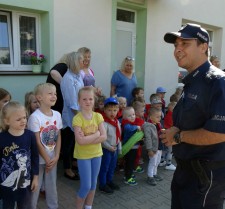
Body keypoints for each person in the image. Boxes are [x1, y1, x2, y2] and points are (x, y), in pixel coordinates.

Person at [162, 23, 225, 209]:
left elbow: (220, 133)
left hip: (205, 178)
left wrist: (178, 136)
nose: (178, 50)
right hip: (185, 172)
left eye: (185, 44)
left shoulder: (217, 82)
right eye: (176, 45)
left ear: (203, 47)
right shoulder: (193, 79)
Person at [27, 83, 62, 209]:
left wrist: (57, 156)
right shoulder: (35, 117)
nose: (54, 96)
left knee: (52, 186)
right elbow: (36, 141)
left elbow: (58, 137)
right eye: (50, 93)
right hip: (38, 160)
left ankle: (53, 206)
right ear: (39, 97)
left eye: (55, 94)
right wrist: (47, 160)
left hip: (52, 159)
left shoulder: (57, 115)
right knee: (35, 186)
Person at [0, 101, 39, 209]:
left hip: (25, 184)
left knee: (24, 206)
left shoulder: (30, 135)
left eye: (24, 117)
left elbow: (35, 157)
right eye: (18, 119)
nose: (23, 121)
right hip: (6, 186)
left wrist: (35, 177)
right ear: (7, 121)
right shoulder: (2, 138)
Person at [73, 86, 106, 209]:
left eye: (90, 99)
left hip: (97, 154)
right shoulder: (77, 118)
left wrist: (88, 138)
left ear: (94, 100)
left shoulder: (98, 116)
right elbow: (80, 141)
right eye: (84, 99)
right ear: (79, 101)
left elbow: (104, 137)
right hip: (83, 156)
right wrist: (96, 134)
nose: (88, 102)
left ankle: (88, 206)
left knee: (93, 185)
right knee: (86, 186)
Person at [60, 51, 84, 180]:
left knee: (75, 142)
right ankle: (67, 169)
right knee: (68, 143)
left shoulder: (78, 75)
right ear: (75, 61)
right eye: (81, 60)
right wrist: (80, 117)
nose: (83, 62)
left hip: (79, 113)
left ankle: (74, 163)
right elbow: (72, 102)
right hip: (71, 115)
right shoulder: (68, 78)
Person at [98, 97, 121, 194]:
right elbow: (102, 140)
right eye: (109, 110)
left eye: (115, 110)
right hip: (107, 149)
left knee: (112, 167)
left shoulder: (117, 122)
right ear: (104, 110)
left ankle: (109, 181)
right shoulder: (104, 123)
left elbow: (119, 135)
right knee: (105, 167)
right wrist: (109, 147)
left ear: (118, 110)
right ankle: (102, 184)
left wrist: (119, 148)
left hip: (114, 148)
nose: (112, 113)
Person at [121, 106, 141, 186]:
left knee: (131, 162)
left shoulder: (132, 123)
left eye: (133, 114)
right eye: (130, 115)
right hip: (129, 148)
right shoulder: (126, 124)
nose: (133, 116)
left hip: (134, 147)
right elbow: (128, 128)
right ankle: (128, 178)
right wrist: (137, 127)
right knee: (129, 162)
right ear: (125, 117)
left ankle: (128, 174)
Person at [147, 107, 163, 185]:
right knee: (152, 162)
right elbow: (148, 139)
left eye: (160, 116)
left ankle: (154, 174)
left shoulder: (158, 124)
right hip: (153, 148)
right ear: (150, 117)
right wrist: (149, 150)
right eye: (157, 117)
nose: (159, 118)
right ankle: (150, 176)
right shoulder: (148, 126)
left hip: (159, 146)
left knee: (157, 162)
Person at [162, 102, 177, 171]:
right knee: (170, 151)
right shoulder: (172, 116)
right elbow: (174, 126)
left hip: (165, 134)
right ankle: (168, 164)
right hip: (170, 135)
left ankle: (162, 161)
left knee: (165, 149)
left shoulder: (167, 114)